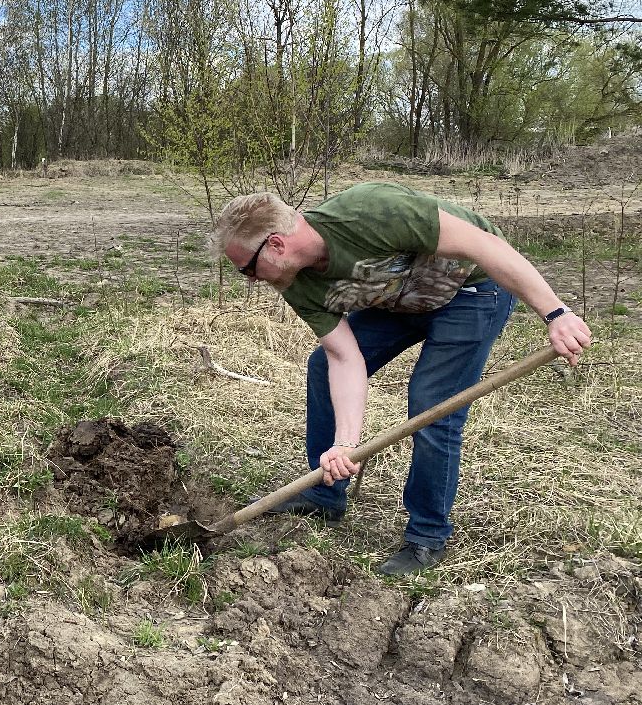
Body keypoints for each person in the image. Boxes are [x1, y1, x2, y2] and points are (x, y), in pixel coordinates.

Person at [210, 181, 591, 577]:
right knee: (322, 367)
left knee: (432, 403)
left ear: (275, 244)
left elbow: (486, 247)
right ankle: (325, 493)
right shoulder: (293, 281)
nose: (251, 280)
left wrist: (556, 314)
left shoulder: (369, 212)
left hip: (471, 289)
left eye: (248, 269)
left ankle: (427, 535)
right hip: (398, 300)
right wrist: (345, 445)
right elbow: (344, 356)